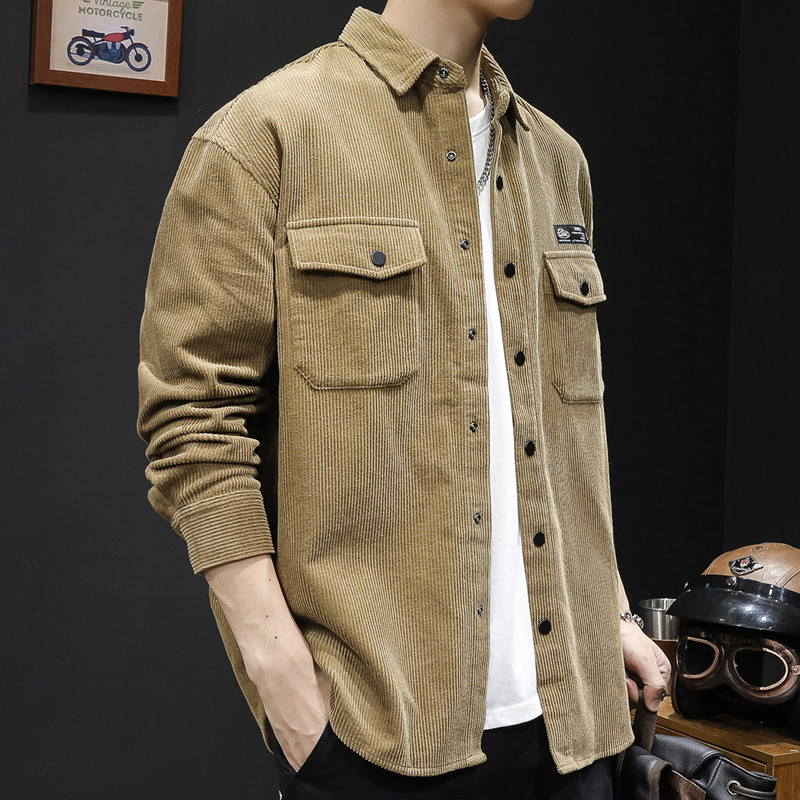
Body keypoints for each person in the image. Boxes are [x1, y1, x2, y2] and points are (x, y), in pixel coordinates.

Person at [137, 2, 670, 797]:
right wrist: (282, 681)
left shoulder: (558, 160)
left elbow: (553, 437)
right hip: (378, 739)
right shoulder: (265, 136)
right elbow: (193, 424)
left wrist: (611, 616)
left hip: (579, 728)